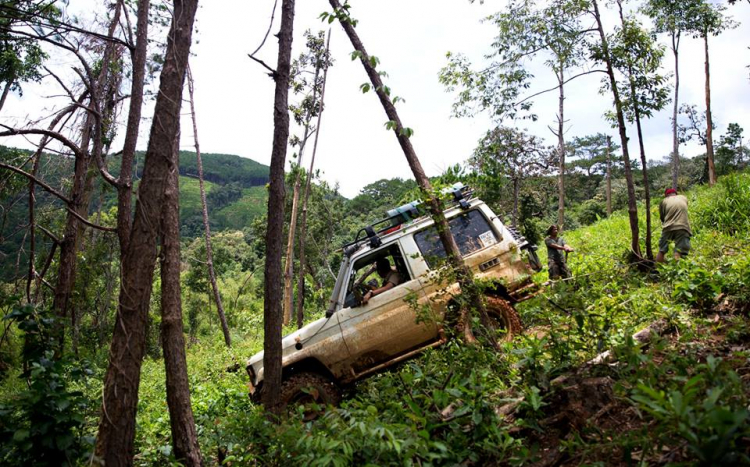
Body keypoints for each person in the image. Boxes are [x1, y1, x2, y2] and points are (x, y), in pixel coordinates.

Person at [656, 188, 691, 263]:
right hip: (683, 227)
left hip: (668, 227)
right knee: (679, 250)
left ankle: (657, 270)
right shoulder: (683, 198)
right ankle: (675, 271)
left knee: (662, 250)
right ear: (676, 194)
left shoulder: (664, 201)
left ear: (666, 195)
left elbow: (662, 217)